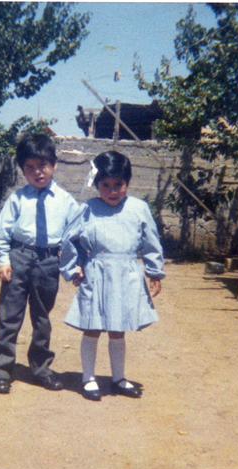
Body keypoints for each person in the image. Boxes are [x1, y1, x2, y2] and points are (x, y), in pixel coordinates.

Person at [60, 150, 165, 401]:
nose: (112, 190)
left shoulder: (139, 208)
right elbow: (69, 239)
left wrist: (154, 271)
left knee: (119, 329)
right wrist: (76, 265)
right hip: (97, 274)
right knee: (93, 326)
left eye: (118, 184)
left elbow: (151, 241)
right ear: (96, 185)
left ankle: (118, 377)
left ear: (127, 182)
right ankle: (88, 379)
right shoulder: (87, 209)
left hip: (127, 275)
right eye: (105, 185)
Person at [0, 133, 79, 394]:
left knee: (42, 318)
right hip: (19, 258)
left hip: (49, 260)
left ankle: (41, 369)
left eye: (43, 165)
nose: (37, 172)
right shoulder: (17, 199)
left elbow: (75, 235)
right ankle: (1, 370)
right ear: (22, 170)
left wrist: (75, 265)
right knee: (9, 315)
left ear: (55, 164)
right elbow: (2, 231)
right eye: (30, 168)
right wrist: (3, 260)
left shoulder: (65, 201)